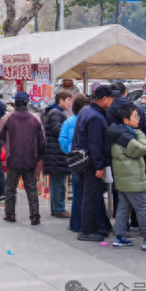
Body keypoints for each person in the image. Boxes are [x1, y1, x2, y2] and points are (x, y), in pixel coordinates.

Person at [108, 105, 146, 250]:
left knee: (123, 208)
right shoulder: (127, 136)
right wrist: (140, 133)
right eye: (135, 116)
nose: (138, 119)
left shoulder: (119, 132)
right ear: (125, 120)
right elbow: (142, 148)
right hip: (132, 179)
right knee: (143, 208)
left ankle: (120, 237)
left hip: (124, 179)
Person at [75, 85, 121, 241]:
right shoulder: (95, 116)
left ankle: (92, 227)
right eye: (112, 98)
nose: (113, 101)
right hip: (91, 164)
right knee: (90, 196)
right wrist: (99, 166)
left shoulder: (88, 110)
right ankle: (86, 230)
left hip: (85, 161)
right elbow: (94, 144)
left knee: (91, 196)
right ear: (104, 99)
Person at [0, 91, 46, 225]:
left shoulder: (7, 117)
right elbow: (42, 141)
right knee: (32, 188)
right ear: (27, 103)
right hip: (30, 158)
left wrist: (8, 138)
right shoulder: (35, 118)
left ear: (15, 104)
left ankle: (10, 214)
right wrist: (38, 156)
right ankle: (35, 216)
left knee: (10, 188)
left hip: (12, 157)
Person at [59, 94, 90, 232]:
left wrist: (70, 153)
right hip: (89, 160)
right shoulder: (90, 119)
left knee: (77, 193)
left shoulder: (68, 121)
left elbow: (62, 140)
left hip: (75, 161)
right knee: (91, 192)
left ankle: (75, 223)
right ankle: (88, 222)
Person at [43, 90, 73, 218]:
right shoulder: (56, 113)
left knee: (58, 182)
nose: (69, 103)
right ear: (60, 100)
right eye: (68, 100)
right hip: (55, 154)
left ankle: (57, 208)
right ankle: (58, 208)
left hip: (55, 153)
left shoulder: (56, 112)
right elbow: (58, 131)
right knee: (58, 183)